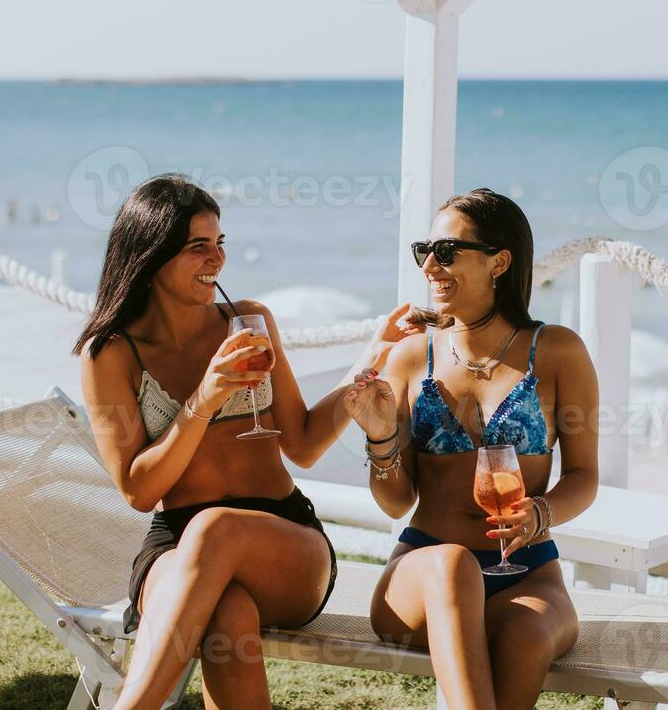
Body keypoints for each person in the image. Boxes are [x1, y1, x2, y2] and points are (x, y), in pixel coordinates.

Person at [74, 173, 415, 710]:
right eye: (198, 247)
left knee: (218, 527)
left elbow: (300, 442)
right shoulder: (112, 353)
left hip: (283, 539)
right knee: (226, 612)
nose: (217, 260)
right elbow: (139, 491)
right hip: (175, 544)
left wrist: (372, 357)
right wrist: (203, 402)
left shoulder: (246, 321)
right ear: (150, 255)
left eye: (220, 244)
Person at [344, 188, 600, 710]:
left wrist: (542, 512)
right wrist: (379, 439)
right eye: (425, 252)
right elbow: (396, 502)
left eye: (447, 251)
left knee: (527, 637)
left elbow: (585, 477)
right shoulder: (412, 358)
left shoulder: (557, 352)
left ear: (498, 261)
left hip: (527, 573)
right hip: (423, 571)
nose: (430, 266)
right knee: (455, 564)